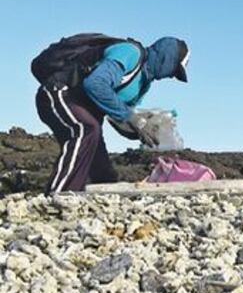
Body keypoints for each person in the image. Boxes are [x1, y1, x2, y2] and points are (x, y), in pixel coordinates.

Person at [32, 34, 189, 193]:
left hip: (83, 110)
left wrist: (140, 130)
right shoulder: (130, 53)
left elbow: (117, 117)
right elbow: (95, 83)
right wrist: (131, 117)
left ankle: (96, 205)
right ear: (166, 57)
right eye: (174, 69)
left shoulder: (143, 85)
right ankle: (59, 195)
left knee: (103, 171)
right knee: (85, 129)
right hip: (60, 94)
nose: (171, 76)